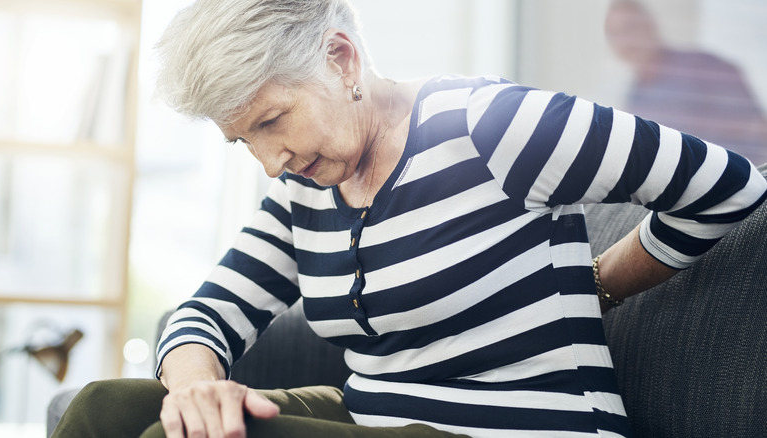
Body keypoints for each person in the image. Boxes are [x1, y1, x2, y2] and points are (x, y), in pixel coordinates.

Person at [52, 0, 767, 437]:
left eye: (273, 120)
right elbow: (206, 314)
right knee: (106, 408)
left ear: (341, 59)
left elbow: (726, 187)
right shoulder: (305, 189)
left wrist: (602, 281)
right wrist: (194, 386)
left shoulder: (493, 124)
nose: (270, 161)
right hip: (373, 420)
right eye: (246, 141)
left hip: (518, 431)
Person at [605, 0, 767, 165]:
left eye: (630, 27)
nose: (625, 40)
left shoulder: (703, 68)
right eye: (615, 34)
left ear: (650, 25)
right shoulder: (634, 98)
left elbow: (757, 129)